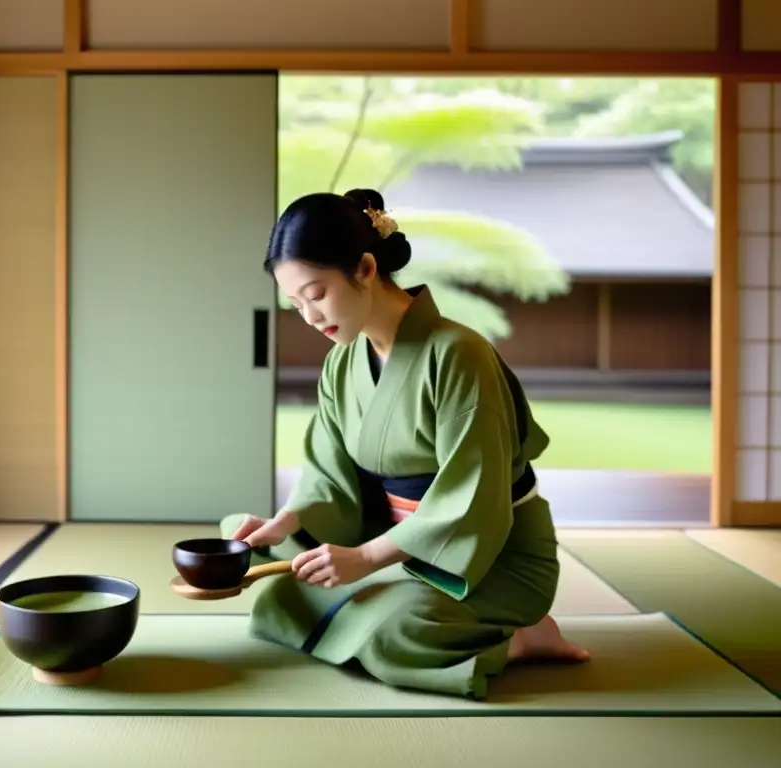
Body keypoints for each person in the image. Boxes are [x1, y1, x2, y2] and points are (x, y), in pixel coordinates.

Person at [220, 188, 590, 700]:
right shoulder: (342, 362)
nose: (308, 316)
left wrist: (368, 559)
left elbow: (475, 503)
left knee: (399, 637)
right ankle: (372, 597)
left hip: (488, 557)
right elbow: (328, 473)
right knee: (255, 554)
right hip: (390, 537)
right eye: (295, 302)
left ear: (366, 269)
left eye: (318, 292)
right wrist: (290, 519)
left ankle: (525, 637)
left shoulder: (461, 356)